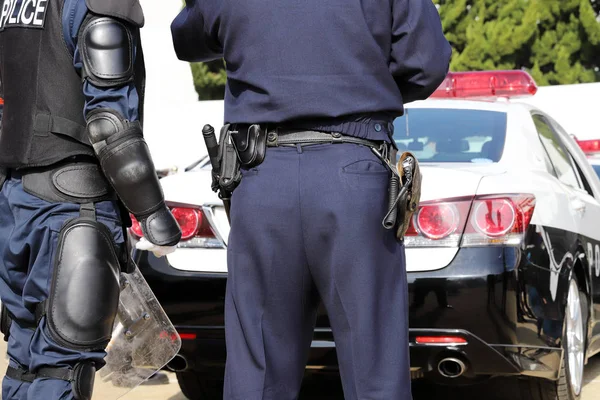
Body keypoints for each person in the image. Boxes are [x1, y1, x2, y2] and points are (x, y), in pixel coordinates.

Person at [171, 0, 451, 399]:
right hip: (354, 171)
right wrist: (360, 83)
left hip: (263, 174)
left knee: (258, 376)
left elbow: (188, 39)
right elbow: (426, 63)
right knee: (376, 373)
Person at [0, 0, 182, 399]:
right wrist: (152, 211)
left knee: (25, 362)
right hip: (71, 209)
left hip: (17, 201)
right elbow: (109, 124)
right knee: (62, 368)